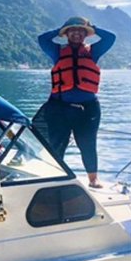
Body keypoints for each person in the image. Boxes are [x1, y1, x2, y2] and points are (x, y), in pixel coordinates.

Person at [34, 15, 116, 188]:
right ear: (66, 34)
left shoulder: (94, 51)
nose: (77, 33)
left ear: (86, 34)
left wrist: (91, 25)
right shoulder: (56, 51)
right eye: (72, 30)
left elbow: (110, 38)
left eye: (80, 30)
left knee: (87, 144)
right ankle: (55, 177)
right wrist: (61, 29)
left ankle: (93, 179)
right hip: (60, 108)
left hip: (88, 109)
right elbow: (42, 39)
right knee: (56, 144)